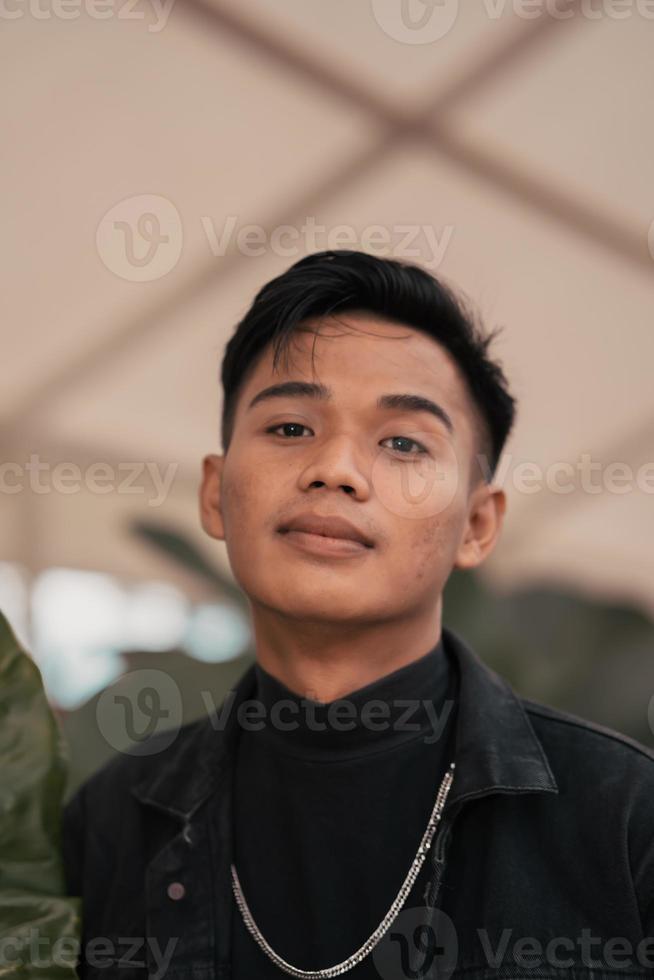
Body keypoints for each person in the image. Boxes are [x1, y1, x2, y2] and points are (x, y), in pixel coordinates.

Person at [62, 250, 654, 978]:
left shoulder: (624, 817)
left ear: (476, 526)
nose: (335, 468)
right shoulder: (114, 822)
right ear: (215, 495)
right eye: (289, 428)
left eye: (403, 442)